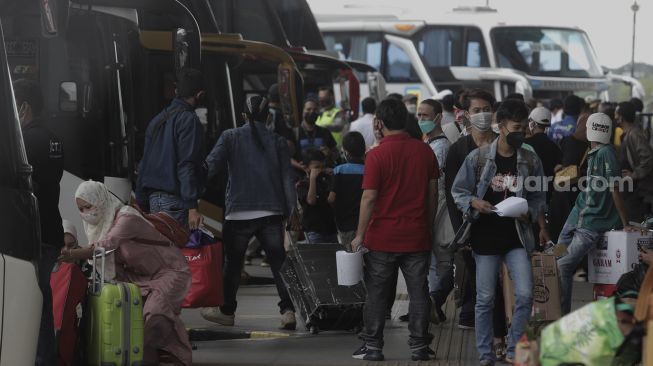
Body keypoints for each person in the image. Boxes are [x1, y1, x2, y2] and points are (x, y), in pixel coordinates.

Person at [452, 99, 547, 365]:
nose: (522, 133)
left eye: (525, 127)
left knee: (526, 294)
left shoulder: (530, 158)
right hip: (485, 237)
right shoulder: (479, 158)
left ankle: (513, 348)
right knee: (485, 299)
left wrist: (530, 212)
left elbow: (540, 195)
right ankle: (485, 356)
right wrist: (474, 202)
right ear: (502, 126)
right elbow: (458, 191)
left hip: (518, 237)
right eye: (517, 127)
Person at [59, 181, 192, 365]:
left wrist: (72, 254)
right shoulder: (99, 225)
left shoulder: (127, 218)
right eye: (81, 209)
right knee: (134, 318)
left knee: (155, 314)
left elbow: (106, 245)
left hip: (170, 271)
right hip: (142, 277)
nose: (86, 213)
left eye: (88, 206)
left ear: (101, 200)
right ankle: (149, 358)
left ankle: (176, 357)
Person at [350, 98, 438, 362]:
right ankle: (419, 346)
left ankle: (373, 346)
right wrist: (428, 226)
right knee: (419, 292)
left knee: (376, 293)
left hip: (382, 239)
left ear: (379, 123)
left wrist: (359, 235)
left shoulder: (376, 155)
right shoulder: (425, 152)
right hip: (417, 236)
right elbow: (433, 194)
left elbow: (369, 198)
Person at [202, 95, 297, 329]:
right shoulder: (278, 141)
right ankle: (288, 311)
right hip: (272, 212)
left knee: (234, 264)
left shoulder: (230, 137)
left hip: (238, 213)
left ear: (243, 115)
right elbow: (288, 180)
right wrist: (293, 212)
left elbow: (210, 167)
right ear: (268, 117)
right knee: (278, 264)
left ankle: (227, 311)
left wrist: (189, 188)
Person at [555, 113, 638, 315]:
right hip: (578, 214)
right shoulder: (594, 151)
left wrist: (625, 222)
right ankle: (553, 310)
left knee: (563, 266)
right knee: (555, 258)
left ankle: (561, 315)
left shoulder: (606, 153)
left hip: (591, 223)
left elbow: (614, 190)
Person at [14, 79, 64, 366]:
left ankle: (40, 358)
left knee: (32, 303)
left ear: (24, 107)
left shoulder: (26, 142)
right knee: (42, 301)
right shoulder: (52, 138)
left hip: (32, 233)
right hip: (51, 231)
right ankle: (45, 357)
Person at [444, 88, 496, 330]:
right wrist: (459, 232)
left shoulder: (502, 145)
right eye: (477, 110)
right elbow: (453, 194)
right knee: (472, 269)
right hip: (469, 224)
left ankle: (493, 322)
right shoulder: (458, 150)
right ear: (467, 114)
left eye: (487, 110)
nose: (483, 115)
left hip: (499, 223)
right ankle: (472, 313)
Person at [136, 68, 206, 230]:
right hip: (176, 202)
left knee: (161, 253)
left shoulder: (157, 120)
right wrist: (192, 207)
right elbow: (186, 164)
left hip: (154, 201)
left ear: (176, 91)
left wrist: (141, 202)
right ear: (200, 94)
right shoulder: (189, 120)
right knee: (178, 254)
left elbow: (144, 164)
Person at [417, 99, 455, 323]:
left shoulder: (441, 147)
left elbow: (437, 185)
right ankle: (433, 306)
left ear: (438, 117)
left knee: (442, 263)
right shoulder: (429, 143)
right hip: (431, 210)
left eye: (425, 116)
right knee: (434, 264)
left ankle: (432, 301)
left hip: (440, 212)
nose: (421, 119)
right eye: (419, 115)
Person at [547, 114, 590, 241]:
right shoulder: (579, 144)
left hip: (560, 203)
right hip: (571, 204)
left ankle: (559, 259)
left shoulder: (567, 142)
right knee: (566, 244)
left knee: (561, 243)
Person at [615, 101, 653, 223]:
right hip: (631, 192)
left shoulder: (634, 134)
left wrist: (634, 175)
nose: (614, 116)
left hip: (638, 193)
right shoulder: (627, 135)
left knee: (637, 227)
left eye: (616, 113)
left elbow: (648, 158)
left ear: (621, 116)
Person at [328, 132, 366, 249]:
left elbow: (331, 198)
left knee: (350, 257)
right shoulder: (369, 170)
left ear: (346, 152)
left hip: (345, 223)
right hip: (366, 223)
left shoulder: (338, 170)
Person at [297, 149, 338, 243]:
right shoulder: (302, 184)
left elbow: (331, 199)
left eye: (322, 167)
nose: (320, 170)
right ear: (306, 168)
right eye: (317, 167)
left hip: (330, 228)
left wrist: (332, 178)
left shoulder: (325, 180)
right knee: (317, 256)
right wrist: (312, 179)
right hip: (314, 230)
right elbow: (311, 201)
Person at [524, 107, 562, 205]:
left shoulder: (526, 145)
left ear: (532, 123)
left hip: (530, 194)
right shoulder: (554, 146)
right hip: (548, 194)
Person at [295, 98, 338, 169]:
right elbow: (288, 157)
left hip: (323, 174)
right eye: (308, 109)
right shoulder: (295, 133)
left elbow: (336, 154)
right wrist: (299, 166)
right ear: (303, 111)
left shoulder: (325, 132)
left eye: (315, 110)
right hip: (301, 175)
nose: (312, 112)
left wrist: (329, 153)